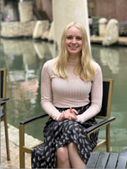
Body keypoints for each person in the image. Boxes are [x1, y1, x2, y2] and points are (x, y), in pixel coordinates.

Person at [31, 22, 103, 168]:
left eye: (78, 38)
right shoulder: (49, 67)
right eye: (69, 37)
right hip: (57, 121)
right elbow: (45, 101)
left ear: (84, 42)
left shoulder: (94, 68)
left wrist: (79, 118)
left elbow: (96, 105)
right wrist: (60, 116)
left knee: (63, 152)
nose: (74, 42)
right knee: (66, 142)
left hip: (85, 123)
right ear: (63, 40)